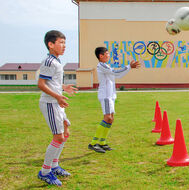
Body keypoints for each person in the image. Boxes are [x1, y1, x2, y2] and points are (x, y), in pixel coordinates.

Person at [37, 30, 78, 186]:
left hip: (56, 102)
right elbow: (41, 84)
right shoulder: (48, 61)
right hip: (49, 103)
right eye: (61, 43)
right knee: (58, 137)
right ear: (51, 44)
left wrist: (62, 88)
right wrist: (57, 96)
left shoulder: (56, 61)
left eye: (64, 43)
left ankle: (54, 165)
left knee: (65, 130)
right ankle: (45, 172)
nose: (64, 46)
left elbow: (50, 83)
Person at [88, 47, 140, 153]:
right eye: (107, 53)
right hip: (106, 96)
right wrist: (129, 66)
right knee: (107, 118)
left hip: (110, 96)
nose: (108, 55)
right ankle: (93, 143)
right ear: (100, 56)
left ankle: (102, 142)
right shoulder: (101, 65)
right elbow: (116, 73)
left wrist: (129, 68)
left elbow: (118, 75)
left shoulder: (106, 66)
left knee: (111, 119)